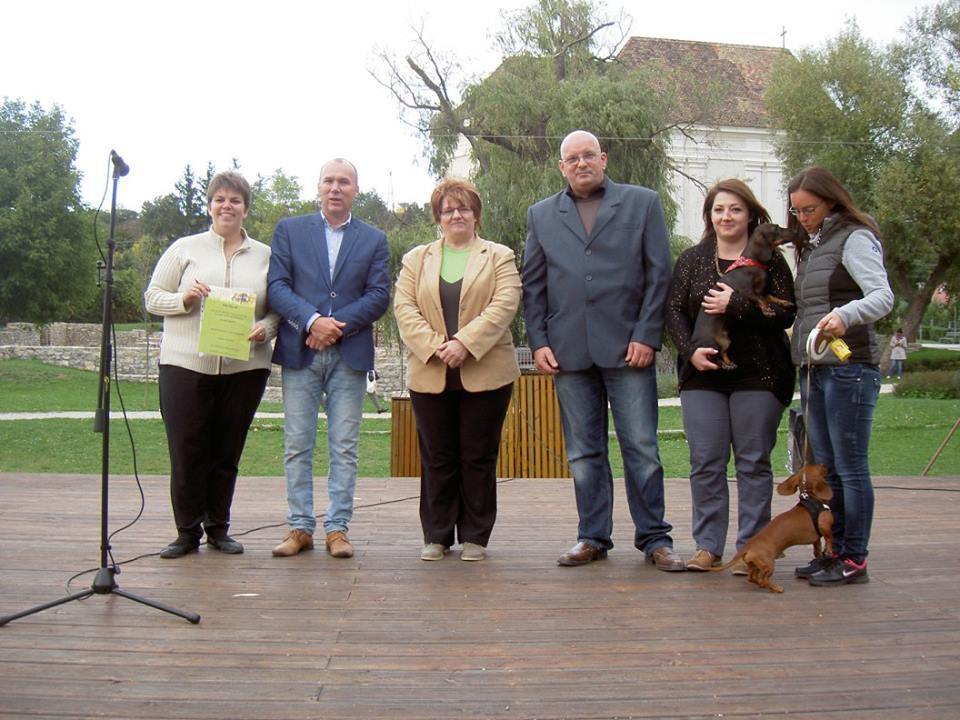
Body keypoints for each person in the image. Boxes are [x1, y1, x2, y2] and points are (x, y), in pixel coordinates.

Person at [522, 130, 683, 571]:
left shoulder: (642, 203)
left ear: (604, 158)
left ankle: (655, 538)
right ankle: (592, 536)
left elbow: (659, 274)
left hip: (629, 347)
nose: (581, 163)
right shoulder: (541, 215)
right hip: (568, 350)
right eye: (572, 158)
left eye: (588, 155)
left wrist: (647, 335)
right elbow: (533, 285)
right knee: (583, 453)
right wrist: (539, 342)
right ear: (561, 167)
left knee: (642, 448)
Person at [145, 171, 278, 559]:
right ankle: (186, 532)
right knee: (187, 450)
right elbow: (152, 297)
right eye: (220, 199)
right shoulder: (184, 249)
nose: (227, 206)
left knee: (226, 451)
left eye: (235, 200)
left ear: (246, 209)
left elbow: (277, 311)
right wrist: (183, 299)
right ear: (209, 206)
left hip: (245, 368)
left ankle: (218, 529)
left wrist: (265, 329)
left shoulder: (266, 256)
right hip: (185, 365)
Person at [665, 179, 796, 574]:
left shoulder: (770, 261)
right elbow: (674, 311)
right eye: (719, 209)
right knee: (706, 462)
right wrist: (690, 350)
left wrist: (736, 304)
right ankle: (708, 547)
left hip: (759, 374)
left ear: (750, 215)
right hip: (703, 375)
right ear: (710, 215)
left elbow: (786, 311)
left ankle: (750, 551)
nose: (726, 216)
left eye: (735, 209)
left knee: (753, 463)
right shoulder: (692, 259)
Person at [267, 159, 390, 559]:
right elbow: (277, 286)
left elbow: (378, 296)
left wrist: (335, 327)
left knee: (344, 447)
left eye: (344, 182)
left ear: (356, 190)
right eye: (329, 181)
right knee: (297, 444)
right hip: (300, 351)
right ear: (318, 187)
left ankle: (337, 529)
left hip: (349, 354)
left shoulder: (374, 239)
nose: (336, 188)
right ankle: (299, 527)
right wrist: (312, 321)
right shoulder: (289, 230)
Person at [394, 179, 521, 562]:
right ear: (438, 217)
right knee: (437, 456)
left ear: (476, 215)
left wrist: (465, 342)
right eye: (448, 209)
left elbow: (505, 303)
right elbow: (403, 308)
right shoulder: (416, 259)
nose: (456, 215)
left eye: (463, 208)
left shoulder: (499, 256)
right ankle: (436, 535)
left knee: (478, 456)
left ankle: (475, 536)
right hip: (430, 371)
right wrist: (437, 346)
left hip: (486, 372)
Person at [787, 166, 894, 586]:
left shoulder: (855, 237)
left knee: (850, 468)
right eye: (797, 212)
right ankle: (834, 552)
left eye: (809, 210)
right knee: (827, 470)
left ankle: (855, 559)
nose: (803, 219)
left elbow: (882, 296)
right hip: (816, 368)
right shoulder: (814, 246)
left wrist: (844, 316)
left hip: (850, 369)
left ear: (831, 201)